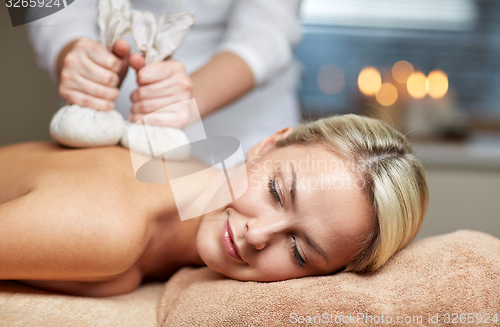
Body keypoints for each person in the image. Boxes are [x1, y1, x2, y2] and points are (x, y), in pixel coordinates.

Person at [0, 114, 428, 296]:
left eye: (298, 251)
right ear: (267, 144)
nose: (257, 236)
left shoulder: (187, 170)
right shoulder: (110, 228)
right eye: (277, 192)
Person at [28, 0, 304, 154]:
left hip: (241, 120)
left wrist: (189, 96)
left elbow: (268, 29)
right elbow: (53, 2)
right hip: (109, 101)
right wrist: (77, 54)